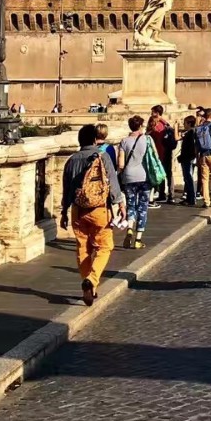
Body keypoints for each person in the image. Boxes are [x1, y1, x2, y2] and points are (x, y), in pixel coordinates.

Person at [60, 124, 124, 305]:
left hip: (78, 210)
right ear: (95, 139)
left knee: (82, 248)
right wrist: (120, 204)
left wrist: (64, 212)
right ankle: (92, 280)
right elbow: (112, 183)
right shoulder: (102, 157)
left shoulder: (72, 160)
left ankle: (89, 285)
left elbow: (67, 190)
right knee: (105, 247)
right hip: (99, 209)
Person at [116, 115, 153, 249]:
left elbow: (120, 164)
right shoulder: (147, 140)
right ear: (140, 126)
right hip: (144, 177)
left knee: (131, 205)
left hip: (128, 177)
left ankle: (129, 228)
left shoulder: (124, 141)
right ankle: (138, 239)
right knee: (143, 208)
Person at [149, 105, 174, 203]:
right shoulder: (165, 124)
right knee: (168, 173)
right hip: (167, 151)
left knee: (163, 173)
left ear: (157, 113)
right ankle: (170, 194)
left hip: (161, 152)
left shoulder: (158, 126)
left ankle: (162, 194)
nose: (151, 114)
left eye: (152, 112)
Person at [178, 115, 200, 206]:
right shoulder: (192, 132)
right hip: (188, 158)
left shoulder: (191, 133)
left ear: (189, 123)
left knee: (189, 179)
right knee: (187, 179)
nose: (184, 125)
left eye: (185, 123)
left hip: (188, 158)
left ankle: (191, 199)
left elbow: (189, 148)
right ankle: (189, 198)